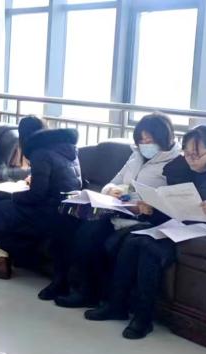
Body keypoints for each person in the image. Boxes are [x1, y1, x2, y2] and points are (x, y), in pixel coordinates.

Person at [85, 125, 206, 339]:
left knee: (150, 249)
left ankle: (143, 319)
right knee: (132, 240)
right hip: (177, 225)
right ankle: (116, 305)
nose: (190, 159)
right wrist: (151, 209)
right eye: (187, 153)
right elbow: (170, 204)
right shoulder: (178, 168)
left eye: (196, 154)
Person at [54, 112, 182, 308]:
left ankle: (98, 296)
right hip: (118, 209)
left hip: (144, 217)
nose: (145, 144)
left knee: (102, 237)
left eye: (149, 140)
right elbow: (113, 182)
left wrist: (140, 204)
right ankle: (83, 290)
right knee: (84, 230)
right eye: (141, 140)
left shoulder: (176, 164)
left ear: (164, 138)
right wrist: (111, 191)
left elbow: (168, 201)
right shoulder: (136, 156)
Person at [0, 116, 82, 283]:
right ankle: (1, 260)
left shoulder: (40, 153)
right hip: (65, 211)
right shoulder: (69, 149)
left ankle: (1, 262)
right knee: (2, 207)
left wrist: (14, 195)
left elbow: (36, 195)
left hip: (48, 213)